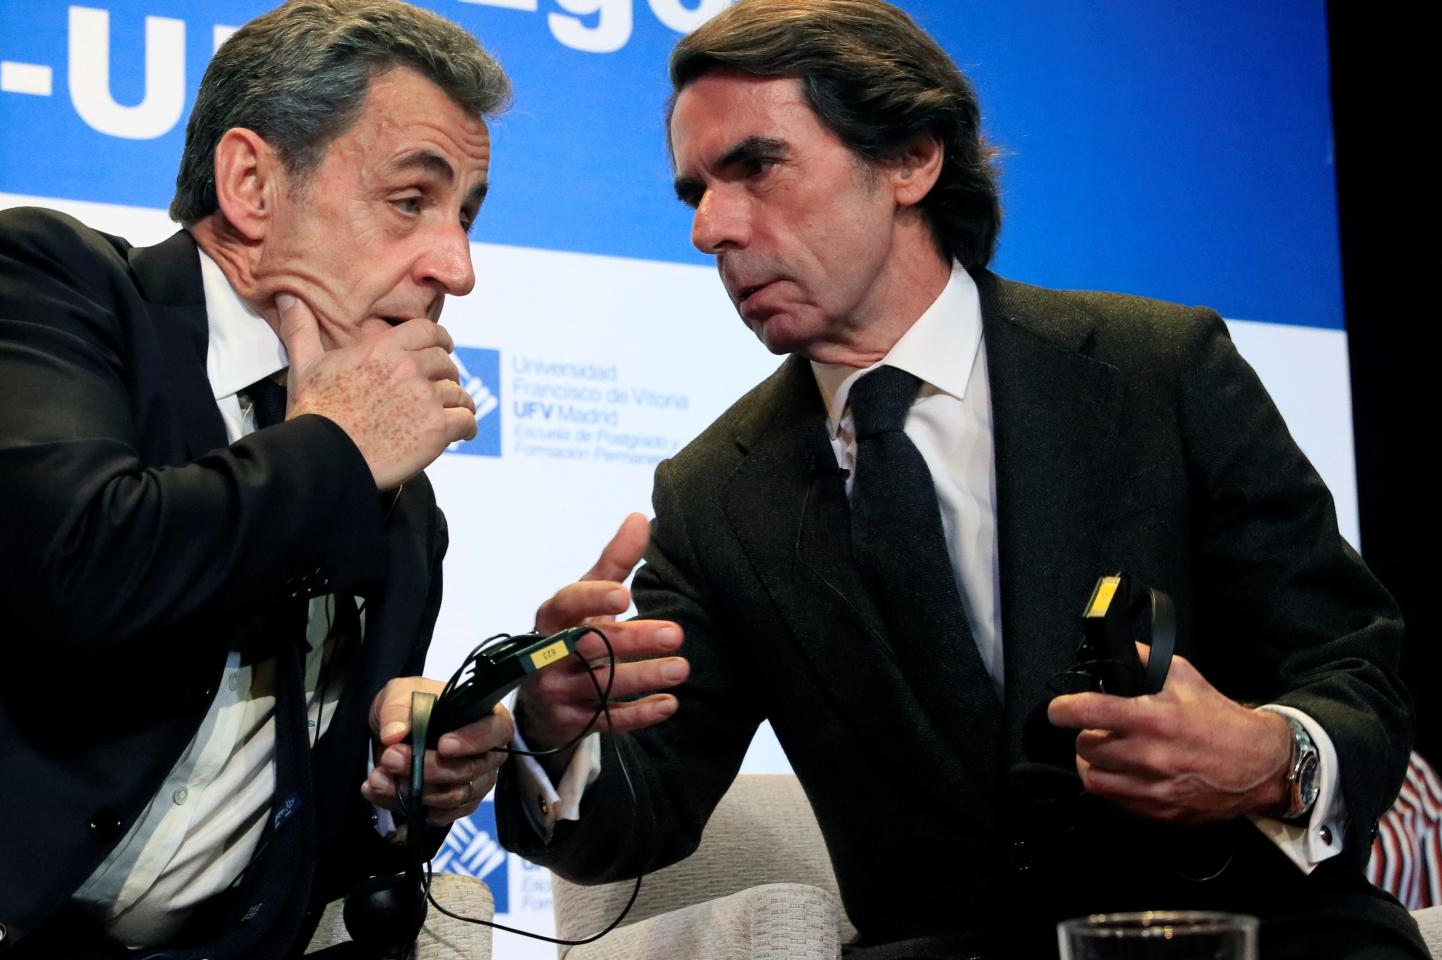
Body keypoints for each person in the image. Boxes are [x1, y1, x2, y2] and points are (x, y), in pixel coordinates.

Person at [497, 1, 1425, 956]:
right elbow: (640, 813)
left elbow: (1353, 669)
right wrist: (555, 729)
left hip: (1249, 931)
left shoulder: (1159, 371)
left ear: (910, 159)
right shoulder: (712, 495)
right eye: (694, 192)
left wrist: (1274, 760)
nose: (710, 230)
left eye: (756, 167)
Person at [0, 2, 515, 957]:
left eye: (465, 216)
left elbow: (293, 848)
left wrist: (409, 787)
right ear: (252, 183)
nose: (458, 267)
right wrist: (337, 451)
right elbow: (86, 569)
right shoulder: (45, 283)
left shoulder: (400, 511)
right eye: (411, 201)